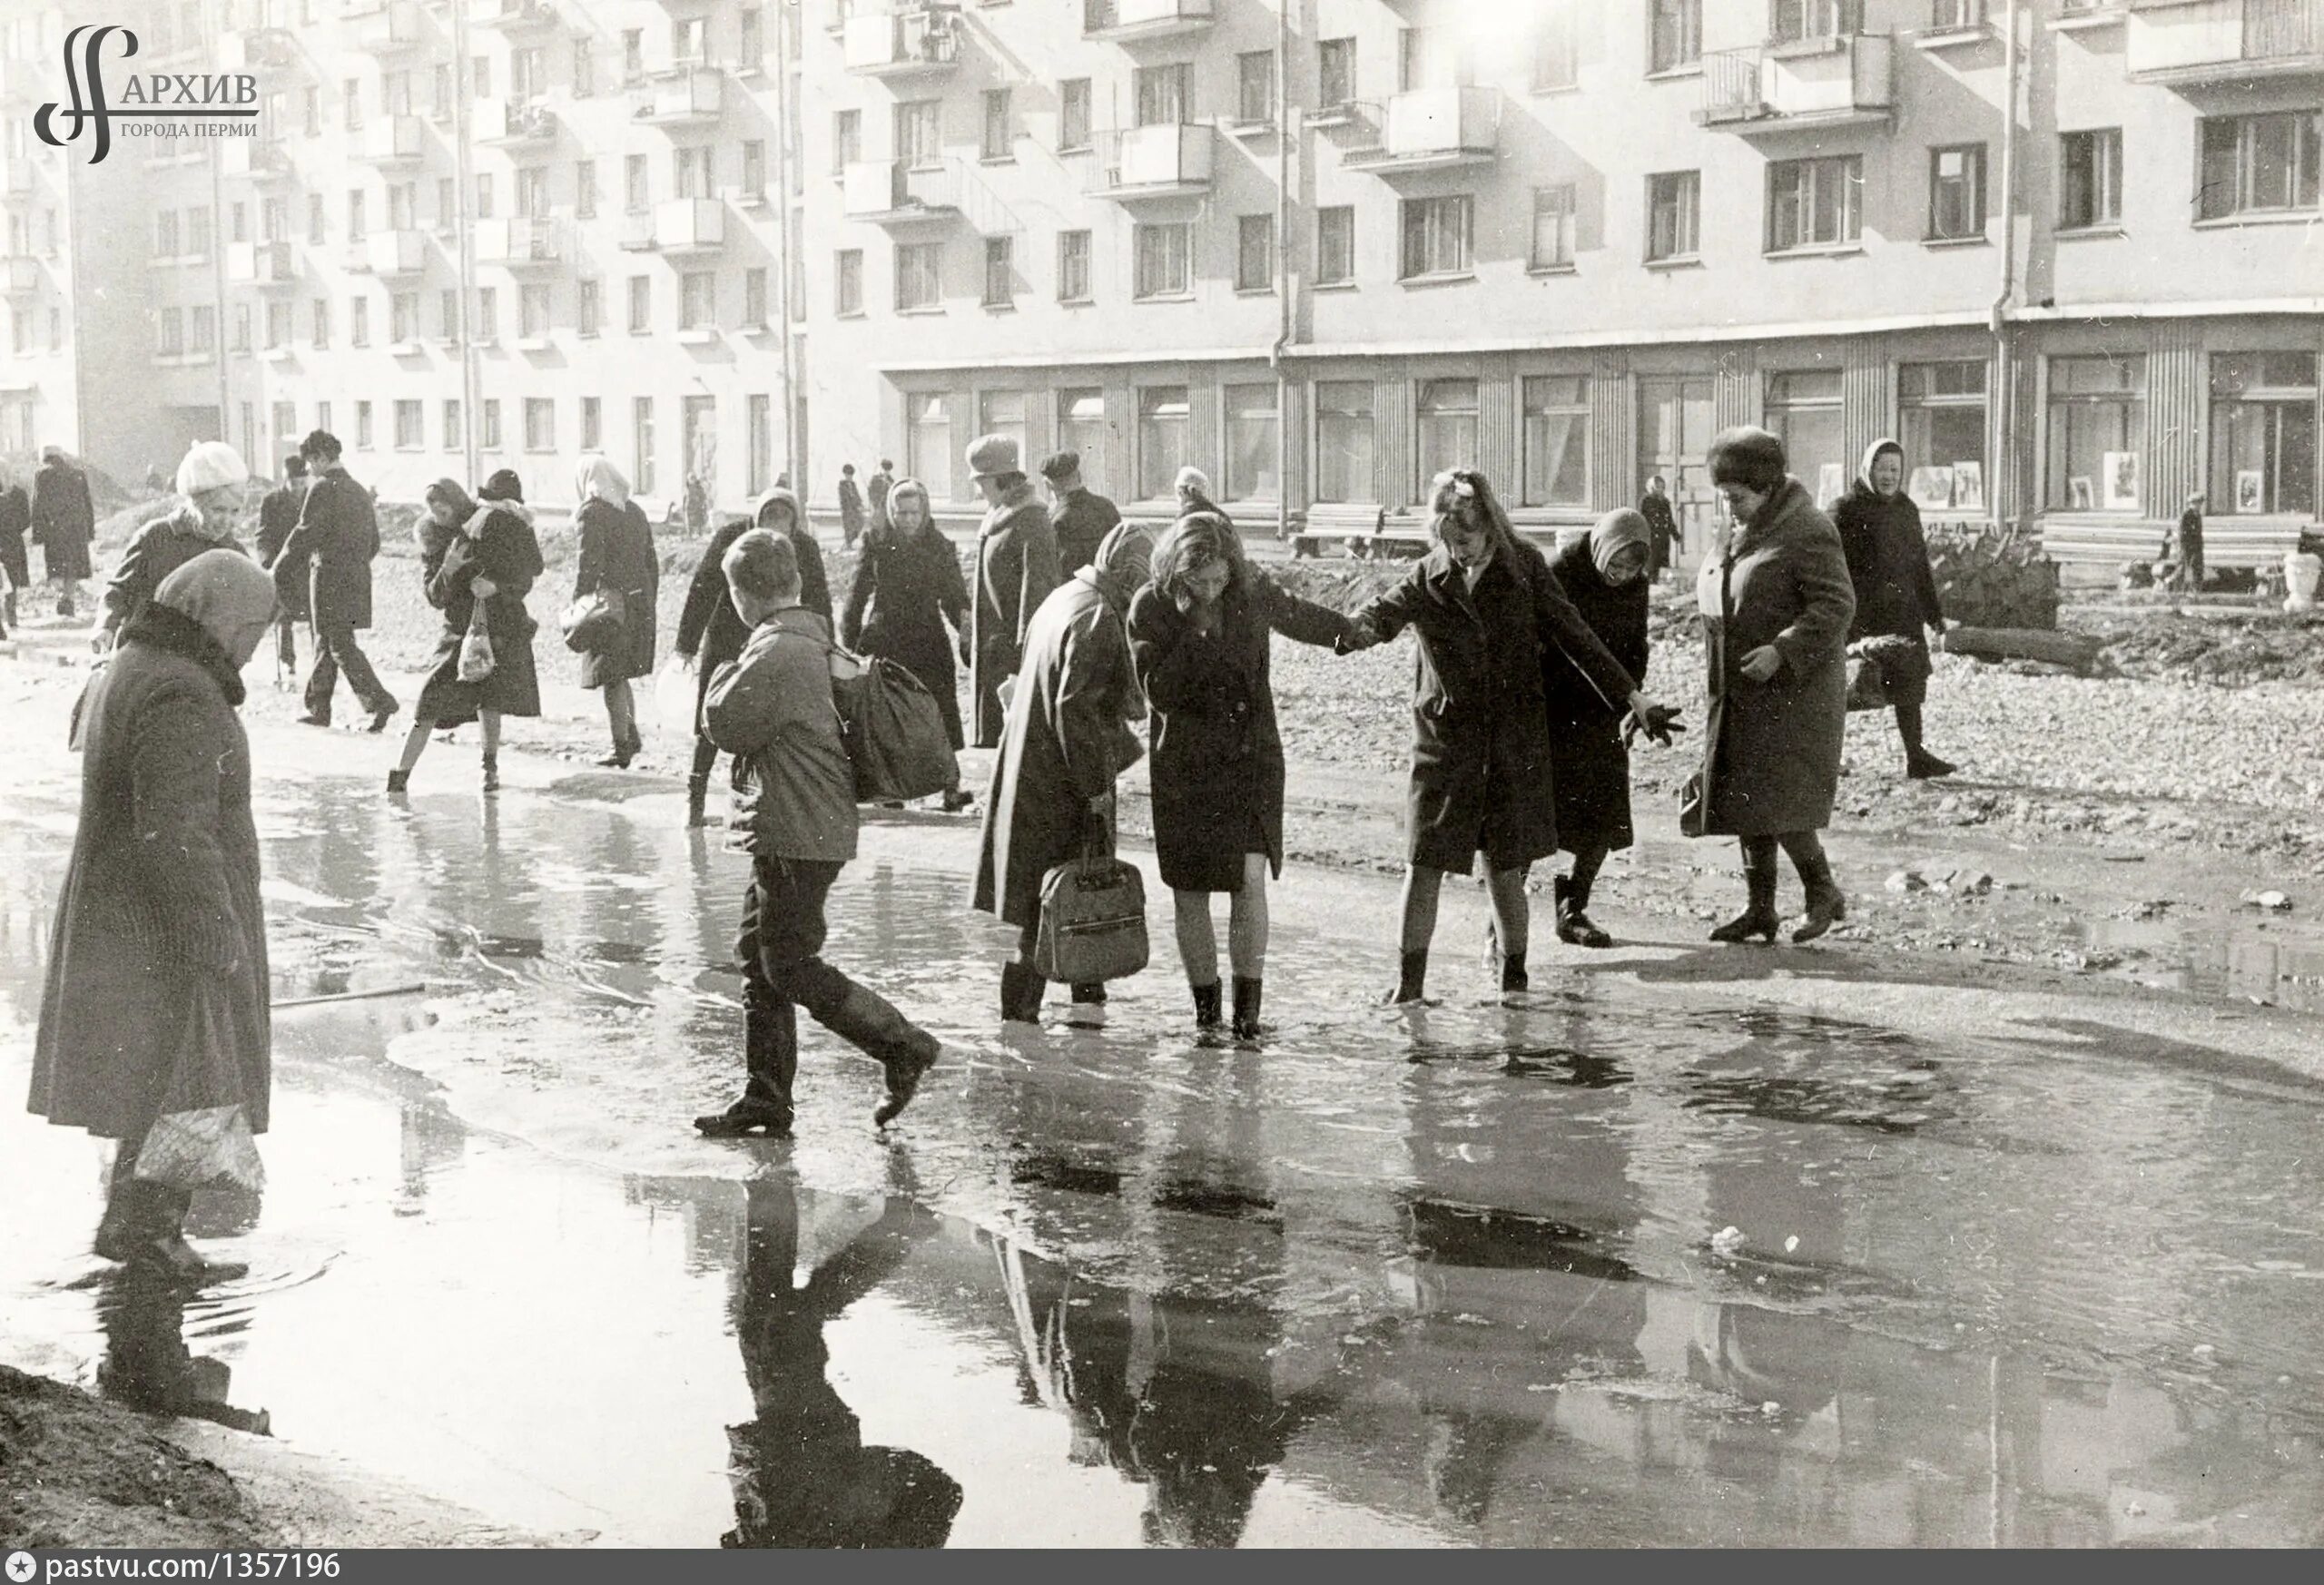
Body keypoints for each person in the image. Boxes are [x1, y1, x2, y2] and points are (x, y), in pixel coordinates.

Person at [31, 549, 279, 1282]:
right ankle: (151, 1240)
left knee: (151, 1074)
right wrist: (215, 931)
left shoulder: (134, 665)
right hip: (157, 925)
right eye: (255, 630)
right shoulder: (183, 691)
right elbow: (175, 830)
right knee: (183, 1074)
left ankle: (132, 1229)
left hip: (124, 917)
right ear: (223, 620)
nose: (255, 647)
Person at [1347, 470, 1666, 1003]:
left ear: (1491, 527)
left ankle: (1513, 983)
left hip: (1510, 743)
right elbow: (1379, 617)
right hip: (1443, 744)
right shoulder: (1428, 575)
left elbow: (1576, 635)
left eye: (1468, 541)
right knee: (1422, 864)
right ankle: (1408, 988)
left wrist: (1633, 696)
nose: (1461, 553)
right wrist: (1344, 632)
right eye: (1449, 542)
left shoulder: (1525, 570)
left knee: (1504, 870)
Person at [693, 529, 942, 1137]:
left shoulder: (777, 651)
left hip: (797, 827)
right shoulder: (810, 636)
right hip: (802, 823)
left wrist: (724, 667)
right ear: (797, 583)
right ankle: (766, 1097)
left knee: (787, 963)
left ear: (745, 595)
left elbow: (724, 722)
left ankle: (899, 1044)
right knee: (760, 957)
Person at [1128, 512, 1365, 1039]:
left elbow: (1296, 614)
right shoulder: (1151, 605)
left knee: (1249, 880)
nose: (1213, 589)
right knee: (1190, 892)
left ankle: (1248, 1018)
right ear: (1176, 572)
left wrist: (1348, 632)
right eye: (1200, 581)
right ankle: (1207, 1018)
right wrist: (1198, 632)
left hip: (1251, 757)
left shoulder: (1249, 587)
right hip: (1187, 768)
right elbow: (1158, 691)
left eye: (1220, 579)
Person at [974, 524, 1153, 1024]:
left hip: (1030, 777)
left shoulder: (1064, 598)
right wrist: (1097, 790)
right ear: (1130, 574)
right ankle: (1050, 1024)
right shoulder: (1098, 616)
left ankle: (1039, 1027)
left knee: (1054, 903)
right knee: (1071, 899)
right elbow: (1076, 711)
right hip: (1064, 787)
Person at [723, 1176, 960, 1549]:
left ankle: (772, 1195)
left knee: (765, 1318)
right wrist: (855, 1488)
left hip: (786, 1450)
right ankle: (900, 1227)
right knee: (779, 1327)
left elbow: (735, 1541)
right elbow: (939, 1494)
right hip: (806, 1451)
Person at [1694, 426, 1857, 945]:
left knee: (1783, 801)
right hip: (1742, 684)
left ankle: (1822, 894)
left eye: (1737, 498)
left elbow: (1836, 605)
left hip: (1792, 691)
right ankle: (1759, 909)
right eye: (1725, 499)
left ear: (1765, 488)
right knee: (1747, 797)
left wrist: (1783, 650)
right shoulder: (1743, 527)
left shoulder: (1808, 529)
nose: (1731, 508)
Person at [1541, 509, 1672, 950]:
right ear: (1600, 548)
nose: (1619, 577)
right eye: (1614, 565)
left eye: (1630, 569)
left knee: (1600, 812)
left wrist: (1634, 701)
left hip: (1602, 708)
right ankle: (1503, 919)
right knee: (1540, 814)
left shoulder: (1635, 585)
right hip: (1553, 704)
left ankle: (1571, 908)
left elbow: (1636, 643)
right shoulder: (1562, 572)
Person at [675, 486, 828, 824]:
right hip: (730, 634)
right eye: (769, 517)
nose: (775, 526)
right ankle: (695, 795)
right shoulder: (733, 539)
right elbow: (703, 587)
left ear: (794, 520)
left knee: (770, 716)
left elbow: (819, 596)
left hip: (777, 637)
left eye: (783, 518)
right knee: (712, 710)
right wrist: (686, 643)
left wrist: (826, 642)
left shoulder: (803, 547)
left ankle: (764, 799)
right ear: (757, 516)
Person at [388, 472, 545, 795]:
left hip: (499, 625)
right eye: (434, 513)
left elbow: (525, 577)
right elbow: (433, 596)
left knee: (490, 700)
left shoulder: (492, 526)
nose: (439, 518)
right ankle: (399, 775)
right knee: (429, 699)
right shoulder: (433, 539)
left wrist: (495, 587)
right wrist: (448, 567)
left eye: (444, 511)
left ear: (457, 503)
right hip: (458, 631)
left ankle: (489, 769)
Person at [838, 477, 975, 812]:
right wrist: (850, 640)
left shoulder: (940, 546)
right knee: (885, 715)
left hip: (928, 637)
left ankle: (950, 787)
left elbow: (954, 596)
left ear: (925, 511)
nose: (909, 520)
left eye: (915, 512)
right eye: (902, 513)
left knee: (941, 709)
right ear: (891, 512)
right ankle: (889, 789)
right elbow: (858, 593)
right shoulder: (877, 542)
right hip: (887, 638)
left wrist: (967, 634)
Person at [1836, 438, 1955, 780]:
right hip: (1861, 614)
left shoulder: (1906, 509)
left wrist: (1933, 614)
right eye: (1882, 468)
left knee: (1910, 685)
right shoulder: (1845, 510)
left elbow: (1920, 566)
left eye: (1895, 469)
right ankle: (1827, 755)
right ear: (1867, 468)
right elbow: (1828, 563)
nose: (1888, 476)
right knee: (1850, 686)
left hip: (1903, 611)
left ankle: (1916, 757)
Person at [281, 429, 397, 733]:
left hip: (328, 577)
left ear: (320, 458)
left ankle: (379, 701)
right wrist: (354, 564)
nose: (308, 468)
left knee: (339, 644)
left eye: (310, 462)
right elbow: (374, 543)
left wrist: (279, 567)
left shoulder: (321, 489)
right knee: (328, 641)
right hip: (356, 577)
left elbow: (304, 535)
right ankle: (319, 708)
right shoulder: (357, 490)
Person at [95, 441, 252, 651]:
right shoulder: (155, 537)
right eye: (218, 510)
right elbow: (119, 589)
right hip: (146, 652)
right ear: (196, 503)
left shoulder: (234, 553)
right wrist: (105, 626)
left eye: (234, 512)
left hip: (202, 659)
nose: (226, 520)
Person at [966, 434, 1060, 749]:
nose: (978, 490)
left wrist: (1022, 665)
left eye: (981, 482)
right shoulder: (1000, 516)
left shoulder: (1031, 521)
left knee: (1024, 748)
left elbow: (1037, 595)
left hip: (1014, 659)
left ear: (997, 480)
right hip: (996, 654)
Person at [572, 453, 659, 768]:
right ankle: (629, 736)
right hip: (638, 602)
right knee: (622, 674)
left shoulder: (591, 512)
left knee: (611, 676)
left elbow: (588, 563)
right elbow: (651, 561)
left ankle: (621, 745)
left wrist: (578, 601)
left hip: (609, 605)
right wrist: (650, 600)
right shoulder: (634, 510)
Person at [252, 454, 311, 685]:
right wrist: (267, 561)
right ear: (285, 481)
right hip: (282, 566)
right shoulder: (272, 501)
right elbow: (263, 534)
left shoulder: (313, 498)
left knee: (315, 616)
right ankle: (288, 661)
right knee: (283, 616)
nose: (298, 488)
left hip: (307, 567)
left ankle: (319, 663)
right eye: (293, 483)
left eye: (301, 483)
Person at [32, 444, 95, 617]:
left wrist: (38, 534)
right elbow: (87, 504)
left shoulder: (42, 475)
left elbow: (38, 505)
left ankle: (62, 596)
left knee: (56, 566)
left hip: (55, 531)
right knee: (73, 567)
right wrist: (90, 531)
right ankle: (68, 598)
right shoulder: (78, 474)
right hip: (77, 530)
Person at [1042, 449, 1120, 576]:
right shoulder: (1106, 506)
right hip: (1109, 590)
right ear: (1079, 476)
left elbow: (1058, 573)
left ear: (1048, 485)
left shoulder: (1058, 520)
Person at [0, 466, 29, 631]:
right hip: (9, 540)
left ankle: (11, 618)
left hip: (12, 541)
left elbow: (26, 519)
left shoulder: (19, 494)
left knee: (12, 580)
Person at [1640, 475, 1679, 582]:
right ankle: (1649, 581)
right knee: (1650, 563)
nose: (1661, 490)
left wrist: (1675, 534)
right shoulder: (1646, 501)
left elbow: (1669, 520)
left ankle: (1655, 580)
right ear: (1651, 488)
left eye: (1662, 487)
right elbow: (1642, 518)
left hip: (1662, 537)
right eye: (1658, 487)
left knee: (1658, 563)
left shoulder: (1665, 502)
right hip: (1651, 536)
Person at [1174, 465, 1231, 534]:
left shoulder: (1186, 517)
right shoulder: (1221, 516)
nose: (1179, 499)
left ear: (1190, 491)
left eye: (1180, 493)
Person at [2176, 490, 2207, 594]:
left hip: (2197, 546)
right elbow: (2181, 533)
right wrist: (2183, 546)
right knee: (2182, 568)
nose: (2198, 506)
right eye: (2196, 503)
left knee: (2198, 567)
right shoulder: (2186, 515)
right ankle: (2179, 590)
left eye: (2199, 503)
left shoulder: (2197, 515)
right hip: (2186, 546)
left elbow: (2198, 532)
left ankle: (2196, 589)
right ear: (2191, 504)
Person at [838, 462, 866, 549]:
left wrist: (860, 504)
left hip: (855, 510)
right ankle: (849, 544)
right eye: (848, 475)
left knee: (860, 522)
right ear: (845, 475)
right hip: (847, 510)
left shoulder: (853, 485)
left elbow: (857, 495)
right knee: (848, 527)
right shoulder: (842, 485)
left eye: (851, 475)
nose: (849, 477)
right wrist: (851, 505)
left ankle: (853, 540)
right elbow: (844, 499)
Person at [867, 458, 895, 537]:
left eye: (888, 470)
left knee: (886, 524)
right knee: (876, 523)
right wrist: (874, 503)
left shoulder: (891, 480)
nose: (886, 472)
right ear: (882, 469)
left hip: (886, 507)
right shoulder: (875, 479)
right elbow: (871, 491)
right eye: (885, 469)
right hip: (877, 506)